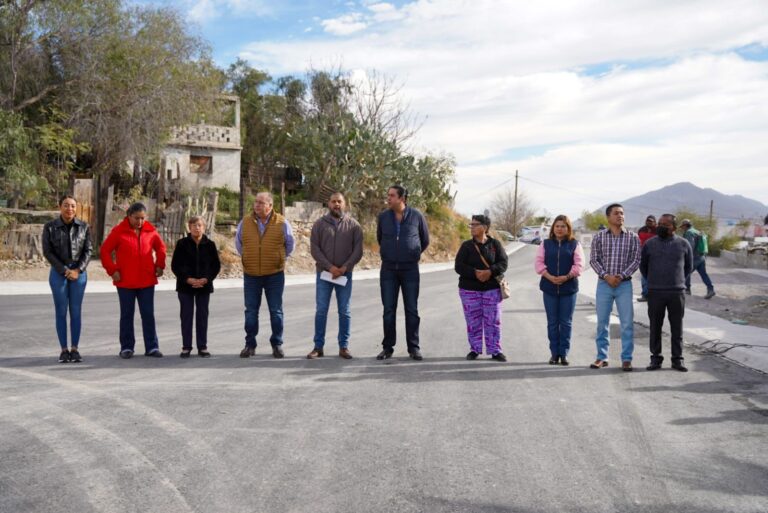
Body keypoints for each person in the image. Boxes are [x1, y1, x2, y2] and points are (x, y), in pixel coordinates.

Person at [100, 202, 166, 358]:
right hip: (125, 282)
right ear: (129, 216)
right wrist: (112, 270)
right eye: (137, 218)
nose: (140, 222)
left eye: (143, 218)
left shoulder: (151, 231)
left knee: (148, 314)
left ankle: (152, 347)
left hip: (146, 281)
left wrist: (160, 265)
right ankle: (127, 347)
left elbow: (161, 248)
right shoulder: (118, 231)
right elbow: (105, 251)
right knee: (127, 315)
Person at [236, 192, 295, 358]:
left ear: (270, 206)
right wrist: (249, 258)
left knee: (276, 311)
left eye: (261, 203)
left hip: (274, 275)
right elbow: (239, 244)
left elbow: (290, 245)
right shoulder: (245, 222)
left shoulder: (282, 222)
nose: (257, 205)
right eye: (256, 202)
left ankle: (277, 344)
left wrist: (278, 259)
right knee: (251, 311)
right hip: (251, 275)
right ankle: (250, 345)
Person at [307, 192, 363, 360]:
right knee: (321, 310)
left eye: (339, 201)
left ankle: (344, 347)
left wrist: (344, 268)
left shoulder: (354, 226)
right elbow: (315, 249)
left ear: (344, 204)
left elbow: (358, 251)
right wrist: (330, 267)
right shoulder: (319, 225)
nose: (336, 204)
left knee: (344, 311)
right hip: (324, 274)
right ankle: (318, 347)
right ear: (328, 204)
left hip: (345, 275)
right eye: (333, 202)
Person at [376, 185, 430, 361]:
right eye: (388, 195)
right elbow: (380, 238)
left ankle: (413, 347)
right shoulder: (383, 217)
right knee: (389, 310)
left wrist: (412, 254)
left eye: (392, 195)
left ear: (402, 198)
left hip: (410, 270)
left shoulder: (417, 216)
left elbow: (425, 240)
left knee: (412, 310)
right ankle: (387, 347)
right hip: (388, 270)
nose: (388, 198)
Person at [589, 203, 641, 371]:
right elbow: (594, 260)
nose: (620, 216)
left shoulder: (633, 237)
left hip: (624, 285)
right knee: (602, 323)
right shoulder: (599, 237)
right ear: (608, 217)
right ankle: (601, 357)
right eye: (616, 213)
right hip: (604, 284)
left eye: (622, 213)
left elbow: (636, 260)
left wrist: (621, 276)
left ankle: (626, 359)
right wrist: (606, 276)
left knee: (626, 323)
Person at [42, 195, 93, 363]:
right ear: (60, 207)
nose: (69, 209)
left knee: (76, 311)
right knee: (61, 312)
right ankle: (64, 350)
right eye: (66, 205)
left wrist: (78, 270)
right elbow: (47, 251)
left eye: (72, 206)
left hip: (79, 274)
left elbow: (88, 250)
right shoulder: (50, 227)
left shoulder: (84, 227)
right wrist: (64, 270)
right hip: (58, 273)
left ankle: (75, 349)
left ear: (76, 208)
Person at [640, 214, 693, 372]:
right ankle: (655, 359)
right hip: (655, 292)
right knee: (655, 327)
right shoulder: (649, 244)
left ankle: (677, 359)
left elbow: (688, 267)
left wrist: (677, 281)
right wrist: (654, 281)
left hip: (676, 293)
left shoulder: (684, 244)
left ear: (674, 228)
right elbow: (644, 267)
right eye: (660, 224)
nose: (661, 227)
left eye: (665, 224)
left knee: (677, 327)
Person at [454, 214, 509, 361]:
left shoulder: (495, 244)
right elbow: (458, 266)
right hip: (469, 289)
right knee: (473, 322)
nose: (471, 227)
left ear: (484, 227)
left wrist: (490, 272)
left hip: (492, 289)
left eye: (475, 224)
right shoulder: (466, 246)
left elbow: (503, 263)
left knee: (493, 321)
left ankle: (495, 351)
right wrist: (475, 273)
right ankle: (475, 349)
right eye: (470, 225)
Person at [534, 214, 584, 366]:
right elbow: (538, 263)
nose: (560, 229)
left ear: (568, 228)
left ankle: (564, 354)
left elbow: (579, 265)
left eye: (563, 226)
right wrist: (549, 276)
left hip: (568, 288)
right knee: (552, 323)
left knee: (566, 322)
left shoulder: (575, 244)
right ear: (553, 228)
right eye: (557, 226)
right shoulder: (545, 244)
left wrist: (566, 276)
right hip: (549, 288)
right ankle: (554, 354)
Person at [171, 216, 221, 358]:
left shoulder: (210, 245)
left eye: (199, 225)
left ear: (204, 227)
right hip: (185, 286)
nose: (196, 227)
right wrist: (188, 279)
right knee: (186, 316)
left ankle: (202, 347)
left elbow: (215, 266)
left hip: (204, 286)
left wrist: (206, 279)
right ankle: (186, 347)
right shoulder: (182, 244)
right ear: (189, 227)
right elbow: (175, 265)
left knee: (202, 316)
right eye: (193, 225)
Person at [680, 219, 715, 299]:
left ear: (685, 225)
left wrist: (685, 256)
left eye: (683, 227)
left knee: (685, 272)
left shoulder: (689, 232)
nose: (682, 228)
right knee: (703, 274)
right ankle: (710, 289)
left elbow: (690, 246)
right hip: (701, 257)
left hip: (694, 257)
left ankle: (687, 289)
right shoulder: (697, 231)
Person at [636, 215, 657, 302]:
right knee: (644, 276)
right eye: (648, 221)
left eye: (651, 221)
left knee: (655, 276)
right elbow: (639, 242)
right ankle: (645, 295)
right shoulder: (641, 230)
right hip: (643, 256)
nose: (649, 222)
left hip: (655, 257)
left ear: (655, 222)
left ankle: (655, 295)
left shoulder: (658, 230)